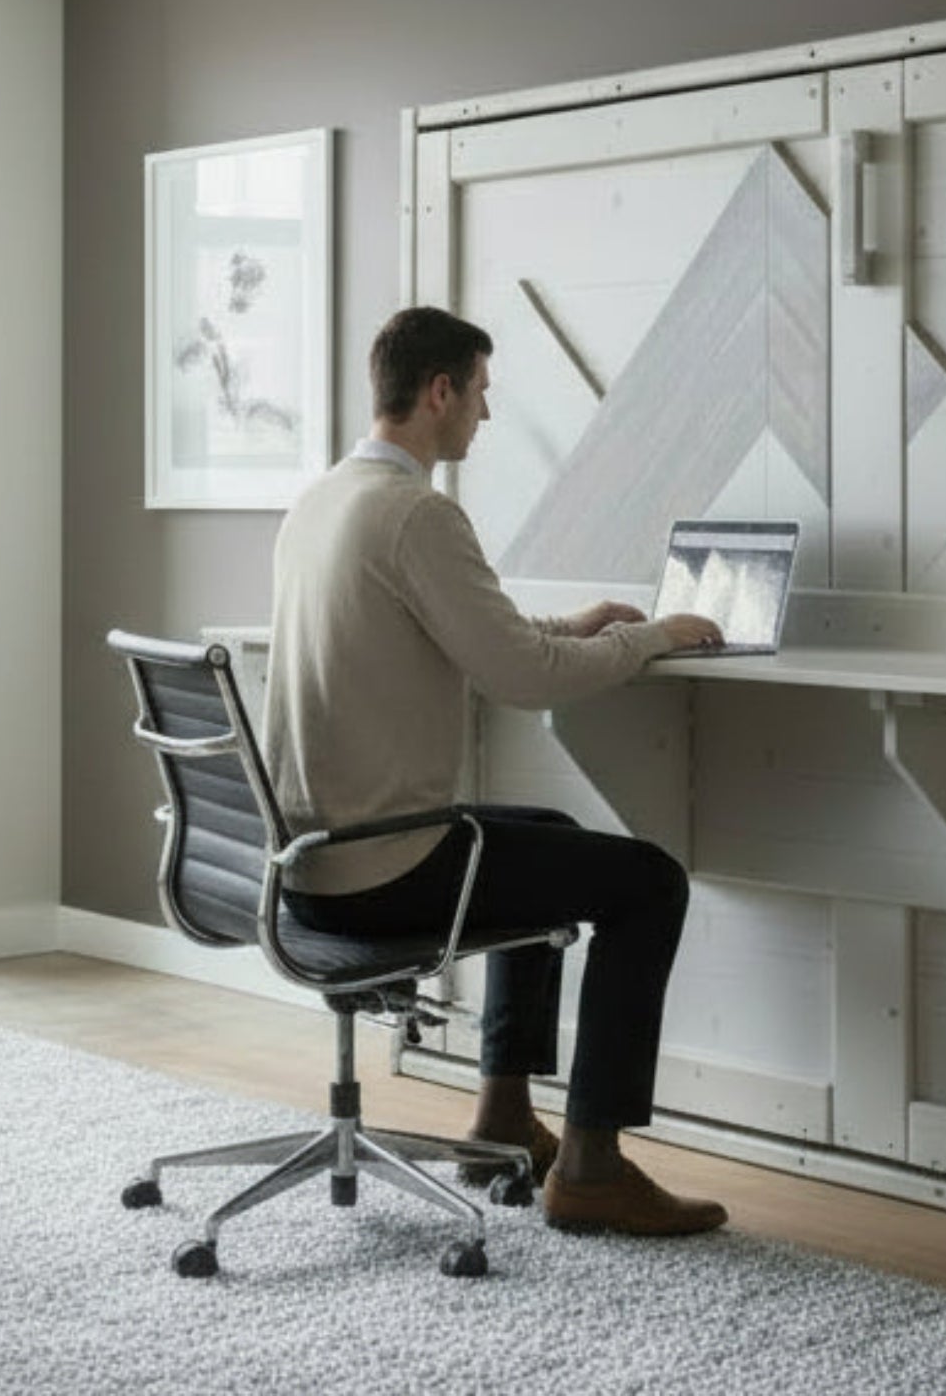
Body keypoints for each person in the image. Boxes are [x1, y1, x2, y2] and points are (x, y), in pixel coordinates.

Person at [262, 305, 729, 1236]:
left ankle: (507, 1111)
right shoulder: (419, 513)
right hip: (384, 869)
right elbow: (518, 678)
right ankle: (594, 1165)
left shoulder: (324, 500)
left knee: (546, 838)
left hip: (310, 865)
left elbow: (481, 637)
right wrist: (652, 638)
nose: (485, 414)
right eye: (480, 392)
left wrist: (579, 624)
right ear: (440, 390)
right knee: (649, 883)